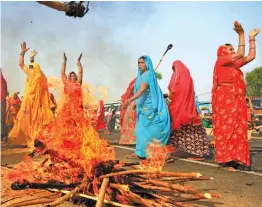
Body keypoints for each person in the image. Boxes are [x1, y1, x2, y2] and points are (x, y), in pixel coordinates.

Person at [212, 21, 259, 171]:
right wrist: (241, 34)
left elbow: (251, 56)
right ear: (223, 52)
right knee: (227, 130)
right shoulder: (221, 62)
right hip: (225, 102)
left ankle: (238, 159)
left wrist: (251, 38)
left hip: (237, 101)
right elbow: (240, 54)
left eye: (233, 49)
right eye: (230, 50)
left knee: (239, 129)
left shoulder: (234, 65)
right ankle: (226, 161)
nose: (233, 52)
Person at [122, 56, 170, 159]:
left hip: (149, 108)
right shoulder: (142, 75)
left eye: (142, 62)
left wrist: (130, 100)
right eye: (139, 62)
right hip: (143, 107)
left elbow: (142, 90)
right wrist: (136, 102)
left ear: (147, 63)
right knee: (140, 131)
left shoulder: (147, 75)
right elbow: (141, 93)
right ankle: (143, 153)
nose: (140, 64)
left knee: (145, 131)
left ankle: (151, 153)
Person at [8, 42, 53, 147]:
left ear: (37, 70)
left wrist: (32, 60)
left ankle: (36, 140)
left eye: (33, 67)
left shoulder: (40, 77)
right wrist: (22, 53)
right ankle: (28, 139)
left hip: (38, 103)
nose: (31, 69)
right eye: (30, 67)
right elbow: (21, 64)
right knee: (24, 120)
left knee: (37, 121)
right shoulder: (30, 73)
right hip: (28, 101)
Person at [167, 60, 209, 159]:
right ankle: (195, 152)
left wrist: (169, 99)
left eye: (174, 68)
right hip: (189, 110)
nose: (173, 71)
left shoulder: (175, 77)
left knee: (176, 129)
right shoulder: (189, 79)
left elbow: (172, 90)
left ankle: (195, 154)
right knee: (191, 131)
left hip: (178, 110)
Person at [119, 78, 137, 145]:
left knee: (132, 121)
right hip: (132, 105)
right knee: (131, 121)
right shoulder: (136, 83)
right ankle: (130, 140)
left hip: (134, 104)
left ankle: (130, 140)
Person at [1, 69, 8, 140]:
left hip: (2, 101)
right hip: (2, 101)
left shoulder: (3, 81)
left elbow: (5, 92)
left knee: (2, 119)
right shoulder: (3, 80)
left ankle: (3, 134)